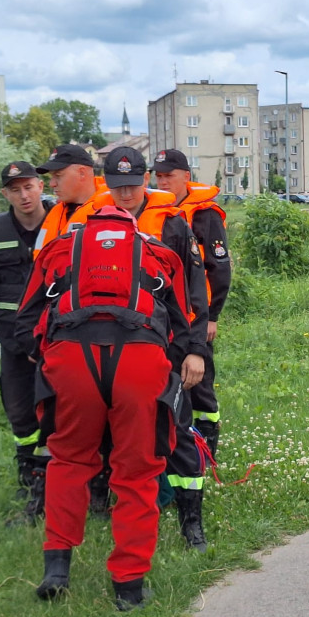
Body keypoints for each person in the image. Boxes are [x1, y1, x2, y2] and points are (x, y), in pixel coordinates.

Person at [16, 198, 196, 611]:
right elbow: (182, 324)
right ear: (131, 225)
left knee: (69, 460)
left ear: (89, 224)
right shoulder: (158, 253)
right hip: (139, 360)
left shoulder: (59, 249)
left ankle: (57, 568)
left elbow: (25, 321)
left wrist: (43, 356)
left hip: (72, 359)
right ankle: (129, 588)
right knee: (137, 472)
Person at [100, 146, 213, 551]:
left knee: (179, 432)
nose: (126, 195)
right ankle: (112, 505)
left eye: (132, 186)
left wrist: (196, 350)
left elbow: (194, 295)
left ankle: (191, 522)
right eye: (117, 187)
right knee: (111, 433)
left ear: (145, 179)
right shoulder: (96, 229)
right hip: (114, 351)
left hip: (166, 348)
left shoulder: (173, 227)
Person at [0, 161, 51, 520]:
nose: (24, 195)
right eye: (15, 189)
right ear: (6, 194)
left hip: (57, 342)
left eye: (29, 187)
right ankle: (29, 478)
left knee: (62, 415)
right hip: (14, 342)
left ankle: (63, 484)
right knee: (20, 414)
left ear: (40, 186)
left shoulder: (63, 223)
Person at [150, 149, 231, 463]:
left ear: (186, 177)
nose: (163, 181)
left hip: (198, 315)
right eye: (158, 176)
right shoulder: (158, 211)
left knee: (200, 384)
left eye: (168, 176)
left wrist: (212, 316)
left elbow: (219, 268)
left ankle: (208, 447)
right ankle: (175, 444)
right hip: (166, 314)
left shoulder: (204, 214)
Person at [33, 144, 109, 258]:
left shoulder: (113, 209)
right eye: (52, 177)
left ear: (82, 173)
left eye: (58, 176)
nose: (52, 184)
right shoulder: (55, 213)